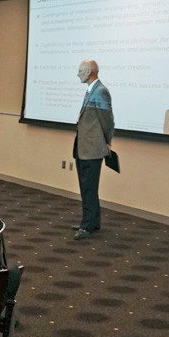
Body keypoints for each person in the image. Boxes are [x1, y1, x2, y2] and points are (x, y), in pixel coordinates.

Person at [73, 59, 114, 240]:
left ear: (89, 71)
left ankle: (87, 225)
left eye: (80, 71)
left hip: (92, 149)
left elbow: (107, 120)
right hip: (84, 148)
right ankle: (92, 221)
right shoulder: (91, 90)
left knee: (89, 188)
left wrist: (107, 140)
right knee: (87, 187)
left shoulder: (101, 91)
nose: (78, 74)